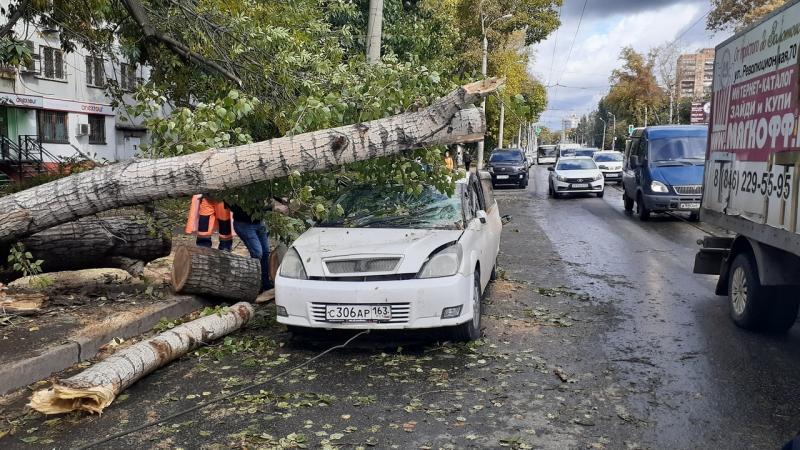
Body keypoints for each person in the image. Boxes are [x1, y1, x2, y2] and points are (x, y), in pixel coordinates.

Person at [227, 199, 288, 291]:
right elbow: (230, 204)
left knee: (265, 252)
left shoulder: (261, 188)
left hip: (259, 222)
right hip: (244, 224)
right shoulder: (238, 192)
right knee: (257, 253)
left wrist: (280, 200)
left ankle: (265, 283)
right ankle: (254, 283)